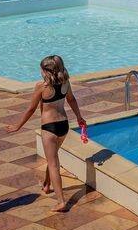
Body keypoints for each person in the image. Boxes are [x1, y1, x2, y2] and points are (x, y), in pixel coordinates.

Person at [6, 55, 86, 213]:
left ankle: (61, 202)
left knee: (53, 164)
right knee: (53, 158)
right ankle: (47, 185)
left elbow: (31, 109)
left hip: (49, 127)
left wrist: (18, 126)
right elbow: (72, 100)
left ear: (46, 71)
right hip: (63, 125)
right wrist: (79, 117)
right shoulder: (65, 83)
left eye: (41, 70)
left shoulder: (41, 87)